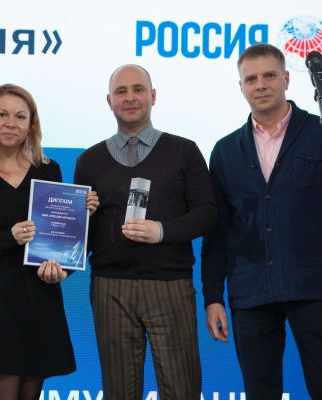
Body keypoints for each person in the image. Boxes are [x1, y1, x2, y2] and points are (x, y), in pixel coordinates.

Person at [201, 44, 322, 399]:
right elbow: (217, 234)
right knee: (259, 392)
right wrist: (213, 297)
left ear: (287, 79)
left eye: (269, 75)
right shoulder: (225, 151)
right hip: (250, 292)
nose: (260, 85)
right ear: (241, 86)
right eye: (251, 79)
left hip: (316, 289)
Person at [0, 84, 97, 400]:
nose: (10, 123)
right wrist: (6, 238)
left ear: (31, 124)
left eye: (20, 116)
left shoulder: (48, 169)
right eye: (2, 115)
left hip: (38, 297)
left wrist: (82, 216)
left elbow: (58, 234)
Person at [74, 64, 218, 400]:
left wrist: (163, 231)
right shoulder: (89, 160)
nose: (130, 97)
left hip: (170, 285)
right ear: (109, 101)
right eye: (121, 92)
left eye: (138, 89)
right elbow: (80, 234)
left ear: (152, 96)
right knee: (119, 392)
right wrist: (81, 219)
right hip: (110, 288)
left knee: (182, 390)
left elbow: (207, 214)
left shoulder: (185, 151)